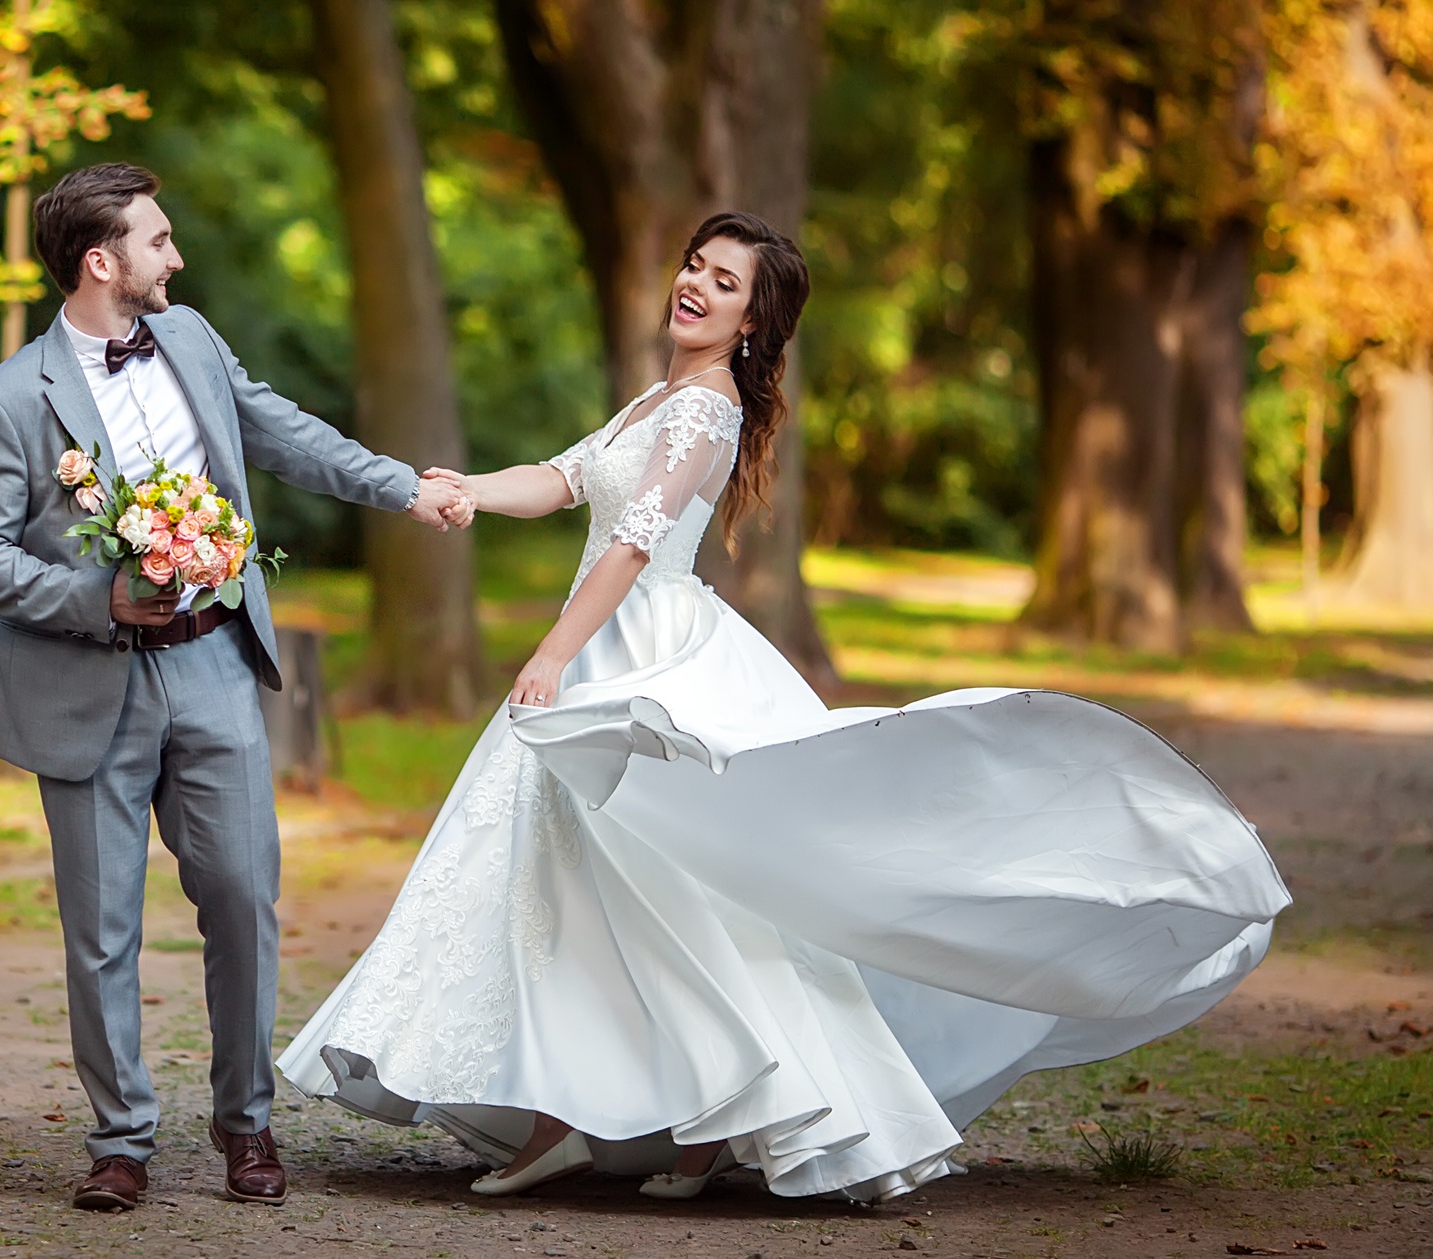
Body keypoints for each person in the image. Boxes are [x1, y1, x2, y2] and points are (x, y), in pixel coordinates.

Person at [277, 211, 1289, 1203]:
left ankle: (702, 1113)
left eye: (724, 282)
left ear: (752, 322)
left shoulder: (705, 407)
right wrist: (463, 490)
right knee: (578, 877)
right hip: (615, 638)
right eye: (694, 266)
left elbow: (631, 541)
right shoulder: (654, 399)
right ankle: (582, 1122)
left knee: (676, 881)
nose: (696, 285)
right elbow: (561, 479)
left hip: (644, 649)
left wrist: (552, 651)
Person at [0, 162, 468, 1211]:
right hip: (83, 687)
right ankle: (120, 1141)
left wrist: (405, 486)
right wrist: (98, 595)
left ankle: (247, 1122)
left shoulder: (190, 338)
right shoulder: (6, 400)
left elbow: (284, 434)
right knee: (101, 927)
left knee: (241, 894)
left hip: (216, 661)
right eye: (158, 239)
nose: (176, 256)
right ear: (103, 261)